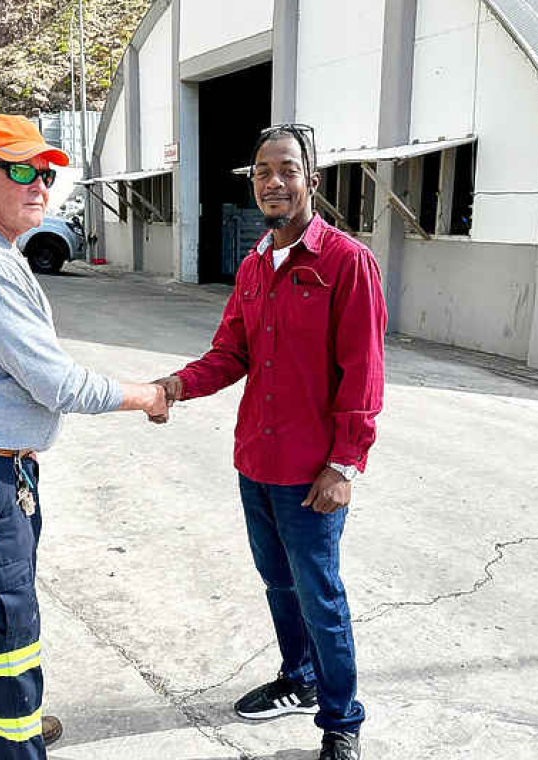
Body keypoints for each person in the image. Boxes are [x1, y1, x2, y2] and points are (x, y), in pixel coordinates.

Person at [0, 113, 171, 760]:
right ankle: (9, 744)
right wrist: (148, 396)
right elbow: (58, 384)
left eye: (45, 174)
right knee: (2, 621)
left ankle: (0, 726)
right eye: (20, 170)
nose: (38, 186)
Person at [155, 123, 386, 760]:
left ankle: (342, 722)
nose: (273, 181)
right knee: (278, 585)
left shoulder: (345, 263)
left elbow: (363, 374)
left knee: (322, 595)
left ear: (312, 180)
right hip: (255, 462)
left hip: (312, 470)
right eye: (262, 171)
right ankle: (300, 677)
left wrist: (345, 463)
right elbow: (230, 353)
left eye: (286, 169)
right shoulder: (256, 264)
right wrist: (176, 385)